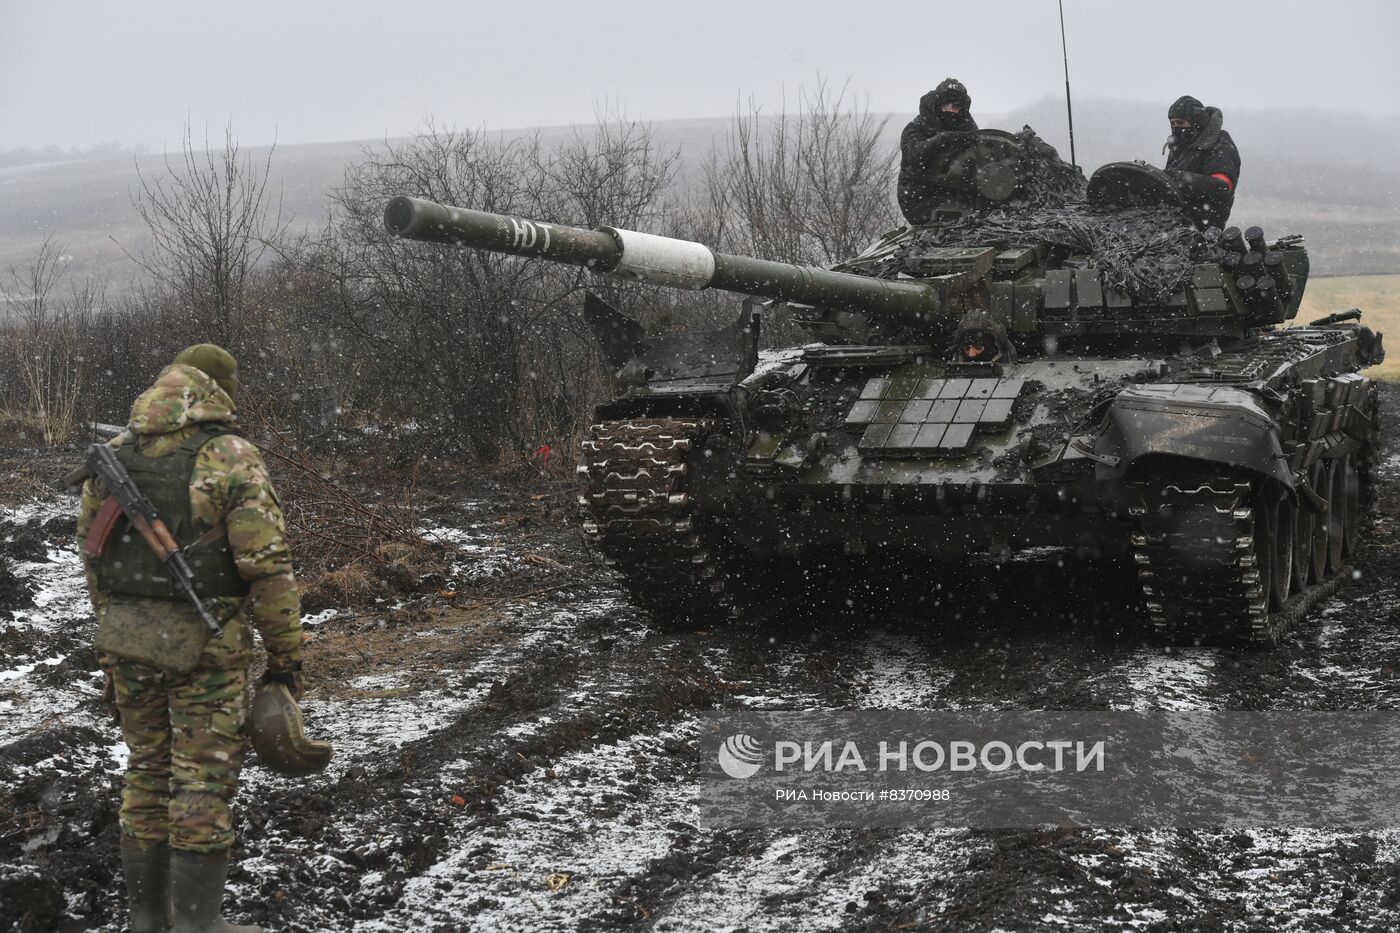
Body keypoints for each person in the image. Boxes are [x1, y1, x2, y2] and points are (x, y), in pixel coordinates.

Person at [78, 344, 304, 933]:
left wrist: (110, 641)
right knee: (201, 778)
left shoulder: (119, 454)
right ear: (218, 391)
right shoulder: (230, 456)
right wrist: (286, 659)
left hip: (127, 638)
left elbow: (93, 559)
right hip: (207, 644)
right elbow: (267, 566)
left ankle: (148, 919)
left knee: (148, 771)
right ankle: (199, 927)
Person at [897, 78, 980, 224]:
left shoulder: (966, 127)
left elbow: (981, 155)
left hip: (959, 198)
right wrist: (943, 139)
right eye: (946, 105)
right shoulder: (917, 127)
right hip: (921, 202)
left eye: (955, 106)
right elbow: (914, 155)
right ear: (937, 104)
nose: (950, 110)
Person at [1162, 95, 1240, 229]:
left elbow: (1221, 187)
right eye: (1173, 123)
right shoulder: (1179, 146)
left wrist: (1173, 178)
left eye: (1181, 123)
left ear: (1197, 122)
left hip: (1203, 231)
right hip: (1172, 227)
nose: (1176, 127)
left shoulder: (1220, 146)